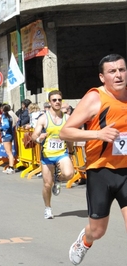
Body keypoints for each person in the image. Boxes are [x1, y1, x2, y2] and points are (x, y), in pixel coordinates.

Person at [59, 54, 127, 265]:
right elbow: (65, 132)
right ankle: (85, 240)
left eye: (122, 70)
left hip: (126, 170)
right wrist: (98, 134)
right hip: (101, 172)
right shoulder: (95, 98)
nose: (118, 75)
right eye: (112, 71)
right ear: (102, 77)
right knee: (98, 230)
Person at [31, 90, 74, 219]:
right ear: (50, 102)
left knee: (69, 174)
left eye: (59, 100)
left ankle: (58, 179)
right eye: (54, 100)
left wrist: (71, 152)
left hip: (62, 152)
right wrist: (39, 138)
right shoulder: (44, 118)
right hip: (47, 154)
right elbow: (34, 135)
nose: (57, 102)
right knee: (47, 184)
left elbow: (70, 137)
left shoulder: (67, 118)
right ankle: (48, 208)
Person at [0, 104, 15, 174]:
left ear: (2, 109)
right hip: (10, 134)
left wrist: (0, 128)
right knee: (10, 152)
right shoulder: (9, 116)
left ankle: (11, 167)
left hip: (6, 135)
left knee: (9, 152)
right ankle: (10, 166)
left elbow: (6, 125)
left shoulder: (4, 116)